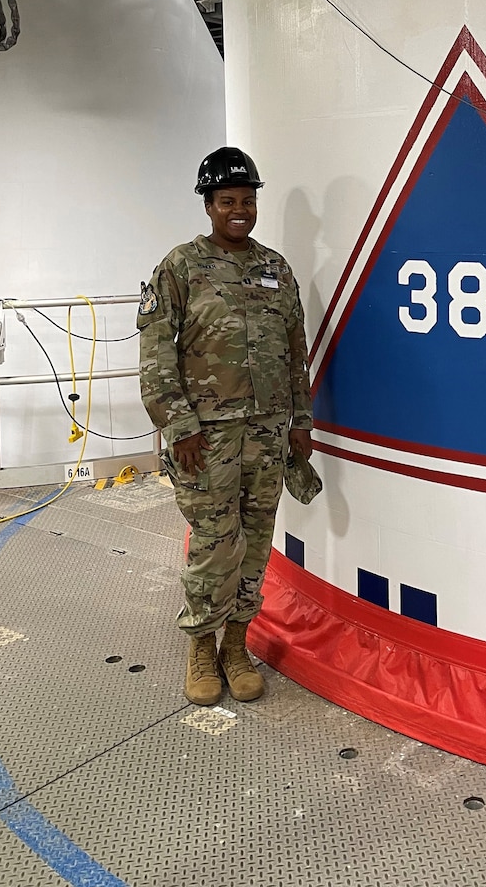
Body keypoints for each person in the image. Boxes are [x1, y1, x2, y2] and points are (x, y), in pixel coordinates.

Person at [137, 146, 313, 706]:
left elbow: (294, 351)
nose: (240, 210)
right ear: (209, 206)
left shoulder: (275, 268)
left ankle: (237, 646)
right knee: (216, 544)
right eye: (227, 201)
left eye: (247, 200)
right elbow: (156, 353)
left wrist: (301, 420)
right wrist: (178, 424)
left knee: (257, 541)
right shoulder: (180, 267)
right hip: (204, 438)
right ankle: (200, 647)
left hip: (266, 434)